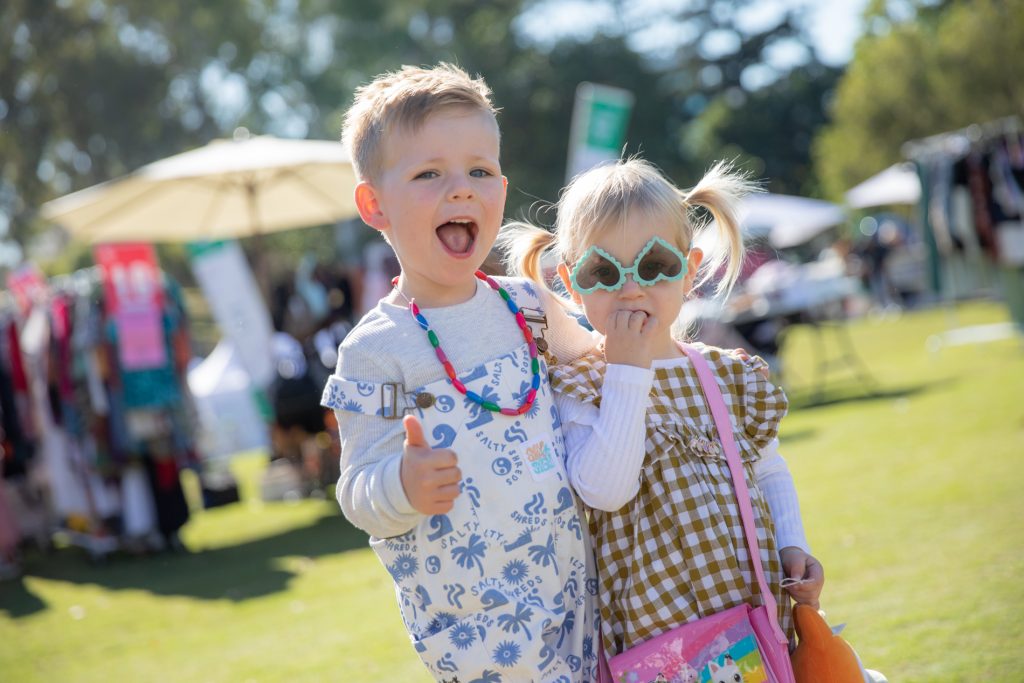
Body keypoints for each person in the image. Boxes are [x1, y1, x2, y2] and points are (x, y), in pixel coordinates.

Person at [320, 63, 603, 682]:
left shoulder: (528, 303)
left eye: (479, 171)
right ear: (374, 205)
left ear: (502, 188)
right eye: (429, 174)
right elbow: (356, 489)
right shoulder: (376, 349)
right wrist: (401, 483)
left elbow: (601, 372)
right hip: (482, 628)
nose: (461, 189)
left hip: (582, 596)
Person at [502, 158, 824, 661]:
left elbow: (767, 468)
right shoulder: (581, 384)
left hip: (755, 615)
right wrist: (627, 373)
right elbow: (605, 490)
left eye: (654, 266)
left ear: (689, 270)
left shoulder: (726, 375)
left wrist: (793, 545)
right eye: (603, 271)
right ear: (571, 282)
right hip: (657, 645)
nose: (631, 287)